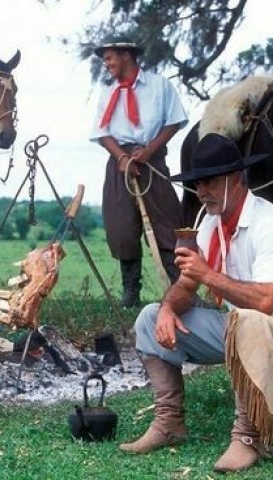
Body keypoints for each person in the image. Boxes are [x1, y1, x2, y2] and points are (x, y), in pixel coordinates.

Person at [119, 133, 273, 473]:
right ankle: (169, 424)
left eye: (210, 182)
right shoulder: (210, 224)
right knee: (149, 317)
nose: (202, 192)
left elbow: (266, 301)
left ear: (237, 180)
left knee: (249, 319)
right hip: (242, 329)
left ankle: (248, 436)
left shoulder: (269, 224)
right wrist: (169, 308)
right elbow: (186, 286)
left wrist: (207, 274)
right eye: (198, 184)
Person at [89, 37, 188, 308]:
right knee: (121, 225)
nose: (106, 63)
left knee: (167, 224)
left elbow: (174, 122)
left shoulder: (159, 86)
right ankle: (130, 292)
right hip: (119, 162)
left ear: (126, 55)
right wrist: (122, 157)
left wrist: (148, 151)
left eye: (109, 57)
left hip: (152, 161)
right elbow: (102, 133)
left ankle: (179, 288)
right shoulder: (107, 92)